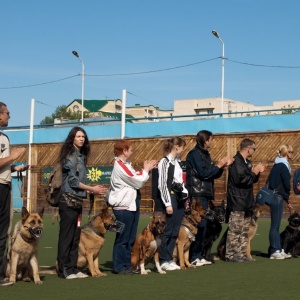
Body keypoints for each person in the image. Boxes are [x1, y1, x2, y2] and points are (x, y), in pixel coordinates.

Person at [57, 126, 106, 279]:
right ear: (72, 138)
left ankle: (73, 268)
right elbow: (73, 181)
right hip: (67, 200)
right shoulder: (70, 156)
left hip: (77, 201)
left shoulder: (80, 156)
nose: (82, 139)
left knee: (76, 235)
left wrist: (90, 189)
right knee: (66, 235)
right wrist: (92, 189)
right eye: (78, 136)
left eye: (83, 136)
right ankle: (64, 269)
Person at [109, 140, 157, 275]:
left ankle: (127, 265)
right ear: (124, 151)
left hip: (131, 205)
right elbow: (137, 181)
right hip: (123, 207)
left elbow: (136, 177)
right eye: (130, 149)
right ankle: (119, 267)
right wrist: (146, 170)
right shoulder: (119, 165)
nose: (132, 151)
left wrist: (146, 170)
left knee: (130, 238)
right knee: (123, 238)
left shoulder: (126, 165)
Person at [186, 130, 233, 267]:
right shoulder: (194, 154)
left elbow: (212, 174)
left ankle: (199, 255)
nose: (212, 142)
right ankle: (193, 256)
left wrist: (221, 167)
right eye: (211, 139)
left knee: (204, 226)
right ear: (205, 140)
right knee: (199, 226)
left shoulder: (205, 154)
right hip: (197, 193)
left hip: (205, 193)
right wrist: (217, 165)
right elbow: (203, 173)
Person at [0, 101, 30, 287]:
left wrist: (14, 167)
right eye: (7, 113)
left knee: (4, 230)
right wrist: (14, 155)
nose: (9, 116)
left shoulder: (4, 137)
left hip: (5, 185)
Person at [226, 138, 265, 262]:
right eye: (254, 148)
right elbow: (241, 180)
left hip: (247, 201)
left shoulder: (246, 162)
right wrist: (254, 172)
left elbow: (250, 180)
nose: (254, 151)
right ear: (248, 148)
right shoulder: (236, 162)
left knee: (244, 230)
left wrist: (257, 173)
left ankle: (242, 253)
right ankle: (231, 254)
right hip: (238, 200)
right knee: (235, 229)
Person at [157, 137, 187, 271]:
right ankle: (163, 260)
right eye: (182, 147)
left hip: (180, 198)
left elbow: (180, 181)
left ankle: (169, 259)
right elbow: (162, 184)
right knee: (168, 230)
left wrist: (185, 195)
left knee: (175, 230)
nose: (183, 150)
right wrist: (167, 203)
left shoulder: (178, 162)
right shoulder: (164, 162)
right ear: (176, 147)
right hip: (171, 198)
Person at [268, 144, 293, 259]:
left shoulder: (276, 164)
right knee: (275, 225)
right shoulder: (283, 166)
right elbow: (286, 184)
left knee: (276, 225)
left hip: (275, 196)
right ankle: (274, 250)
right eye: (291, 152)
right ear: (287, 153)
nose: (293, 154)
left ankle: (277, 248)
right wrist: (288, 196)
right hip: (277, 197)